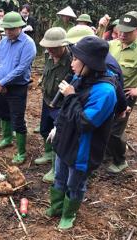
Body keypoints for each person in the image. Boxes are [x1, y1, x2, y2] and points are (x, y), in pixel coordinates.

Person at [46, 36, 117, 230]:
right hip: (65, 140)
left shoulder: (105, 91)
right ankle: (57, 206)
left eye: (76, 59)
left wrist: (70, 96)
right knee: (59, 176)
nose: (72, 63)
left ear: (89, 64)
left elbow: (86, 123)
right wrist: (56, 127)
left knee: (74, 183)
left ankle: (69, 213)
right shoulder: (81, 78)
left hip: (82, 148)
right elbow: (66, 111)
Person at [0, 12, 37, 164]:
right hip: (0, 87)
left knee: (17, 118)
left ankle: (21, 152)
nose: (8, 32)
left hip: (17, 87)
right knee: (3, 112)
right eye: (6, 29)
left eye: (11, 29)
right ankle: (7, 138)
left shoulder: (28, 44)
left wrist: (3, 82)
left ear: (20, 27)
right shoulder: (3, 42)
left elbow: (22, 68)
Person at [106, 11, 137, 173]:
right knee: (103, 125)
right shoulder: (112, 44)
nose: (122, 34)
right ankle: (108, 152)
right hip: (107, 93)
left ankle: (120, 160)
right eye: (120, 30)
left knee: (115, 131)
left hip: (125, 96)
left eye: (127, 32)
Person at [36, 27, 72, 183]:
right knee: (45, 129)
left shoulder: (71, 61)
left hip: (61, 105)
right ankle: (48, 153)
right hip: (47, 100)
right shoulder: (48, 55)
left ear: (63, 45)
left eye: (54, 48)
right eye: (48, 47)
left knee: (59, 135)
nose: (50, 50)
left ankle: (55, 168)